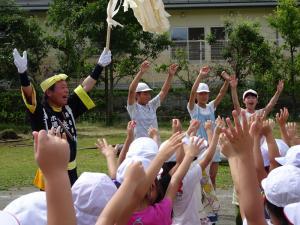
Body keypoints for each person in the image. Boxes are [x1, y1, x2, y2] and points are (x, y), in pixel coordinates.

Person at [12, 48, 111, 188]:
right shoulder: (40, 112)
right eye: (62, 88)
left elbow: (85, 87)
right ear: (49, 93)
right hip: (51, 173)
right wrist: (22, 73)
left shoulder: (68, 107)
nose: (67, 90)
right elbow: (29, 95)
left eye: (67, 87)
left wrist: (99, 66)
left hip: (72, 170)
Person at [187, 66, 231, 194]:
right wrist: (200, 75)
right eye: (201, 93)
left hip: (213, 146)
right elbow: (192, 92)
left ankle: (212, 206)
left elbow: (221, 94)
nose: (204, 95)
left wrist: (227, 81)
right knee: (199, 178)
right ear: (197, 95)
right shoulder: (193, 108)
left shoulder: (211, 106)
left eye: (206, 93)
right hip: (199, 147)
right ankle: (200, 205)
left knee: (212, 177)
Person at [127, 60, 179, 140]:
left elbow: (163, 91)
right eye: (145, 93)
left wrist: (170, 75)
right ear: (137, 95)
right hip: (141, 147)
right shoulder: (134, 108)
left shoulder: (152, 105)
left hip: (155, 145)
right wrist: (141, 72)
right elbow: (131, 91)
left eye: (149, 93)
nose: (148, 96)